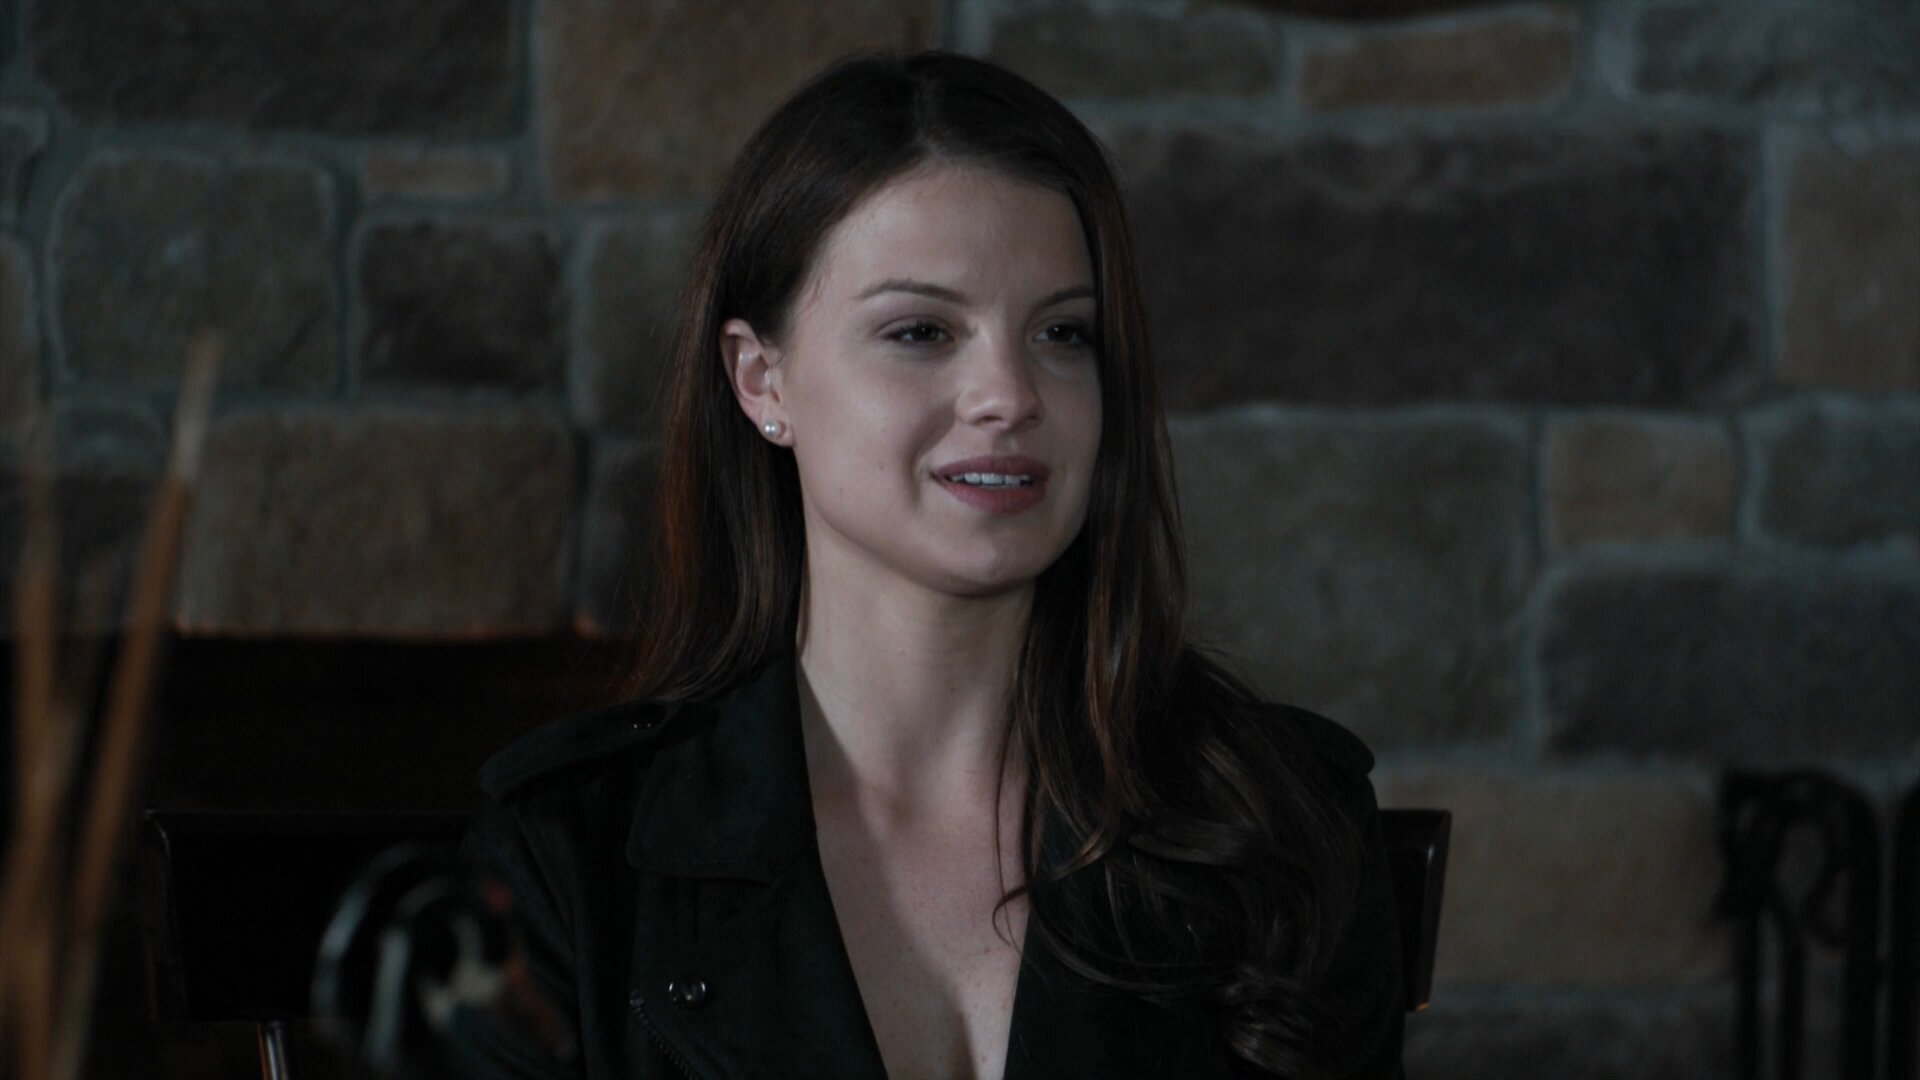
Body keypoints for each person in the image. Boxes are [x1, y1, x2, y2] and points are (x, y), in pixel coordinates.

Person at [455, 50, 1404, 1080]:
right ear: (761, 381)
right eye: (920, 330)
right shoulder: (567, 852)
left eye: (1063, 332)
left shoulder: (1279, 821)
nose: (1009, 394)